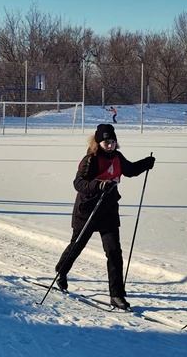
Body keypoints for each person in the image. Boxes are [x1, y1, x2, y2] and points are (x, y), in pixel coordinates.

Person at [55, 124, 155, 310]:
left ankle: (116, 295)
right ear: (98, 142)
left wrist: (145, 163)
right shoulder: (90, 159)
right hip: (87, 210)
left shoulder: (117, 157)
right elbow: (79, 183)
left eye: (112, 142)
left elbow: (130, 170)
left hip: (108, 210)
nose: (110, 145)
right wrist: (98, 185)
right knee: (77, 245)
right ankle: (61, 271)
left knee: (114, 252)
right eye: (106, 142)